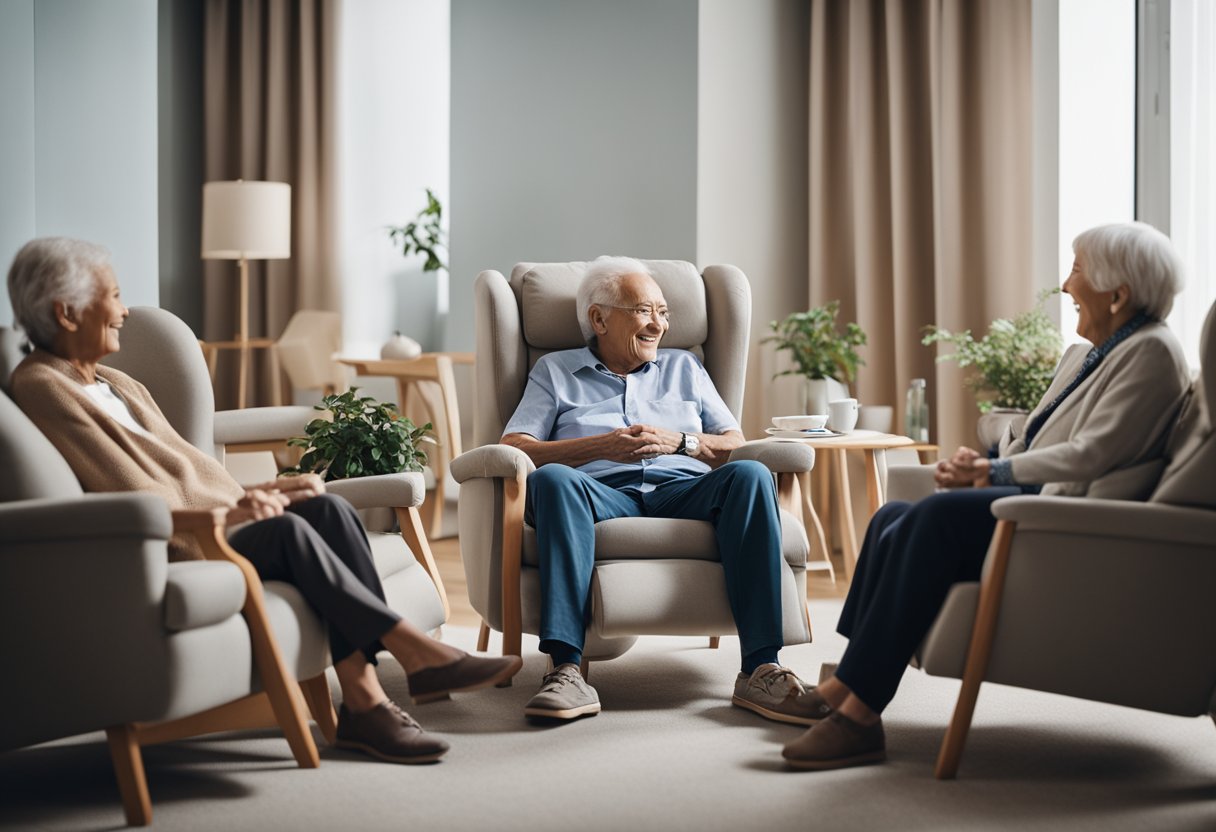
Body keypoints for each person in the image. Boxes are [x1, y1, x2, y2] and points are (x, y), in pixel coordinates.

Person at [6, 237, 523, 765]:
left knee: (328, 508)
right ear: (65, 313)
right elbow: (122, 494)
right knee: (291, 531)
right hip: (179, 542)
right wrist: (228, 513)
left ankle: (366, 705)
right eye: (113, 296)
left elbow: (187, 471)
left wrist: (259, 492)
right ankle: (411, 652)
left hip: (218, 521)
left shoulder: (120, 383)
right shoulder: (43, 386)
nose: (123, 311)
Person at [781, 221, 1192, 771]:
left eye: (1076, 270)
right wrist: (984, 462)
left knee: (936, 517)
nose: (1066, 286)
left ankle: (855, 713)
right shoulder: (1090, 353)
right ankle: (848, 693)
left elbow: (1092, 455)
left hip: (1062, 520)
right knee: (891, 518)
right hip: (1034, 495)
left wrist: (995, 472)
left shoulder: (1152, 353)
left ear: (1118, 294)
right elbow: (1038, 434)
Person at [502, 255, 823, 724]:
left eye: (665, 312)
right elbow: (516, 445)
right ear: (599, 318)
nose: (660, 324)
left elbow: (734, 443)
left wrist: (683, 442)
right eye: (645, 311)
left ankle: (761, 669)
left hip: (684, 493)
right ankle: (566, 669)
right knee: (552, 479)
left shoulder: (685, 368)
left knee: (751, 474)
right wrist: (602, 446)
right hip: (599, 493)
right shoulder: (554, 370)